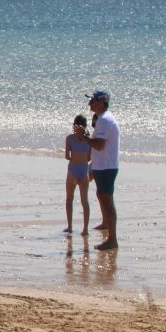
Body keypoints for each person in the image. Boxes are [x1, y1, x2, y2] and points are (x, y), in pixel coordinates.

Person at [87, 90, 120, 250]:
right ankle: (106, 224)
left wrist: (84, 138)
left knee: (107, 200)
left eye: (92, 100)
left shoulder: (105, 120)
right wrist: (93, 166)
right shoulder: (102, 119)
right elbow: (98, 146)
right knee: (101, 195)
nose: (89, 103)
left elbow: (99, 145)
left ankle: (112, 239)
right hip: (102, 165)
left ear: (101, 102)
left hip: (107, 166)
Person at [63, 114, 92, 234]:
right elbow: (89, 158)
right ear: (85, 126)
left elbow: (67, 156)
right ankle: (85, 229)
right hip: (84, 170)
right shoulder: (89, 140)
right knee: (84, 201)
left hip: (73, 170)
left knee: (69, 199)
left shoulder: (70, 138)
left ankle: (70, 226)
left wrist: (75, 158)